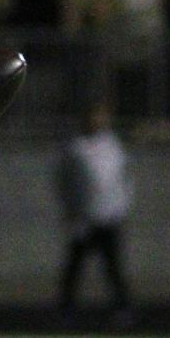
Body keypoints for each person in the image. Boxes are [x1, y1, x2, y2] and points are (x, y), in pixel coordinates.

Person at [57, 100, 133, 321]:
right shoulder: (75, 146)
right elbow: (64, 181)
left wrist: (122, 206)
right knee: (75, 266)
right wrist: (71, 209)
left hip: (109, 216)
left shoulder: (113, 146)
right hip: (84, 217)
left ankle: (122, 308)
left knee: (113, 266)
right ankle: (66, 309)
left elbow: (124, 179)